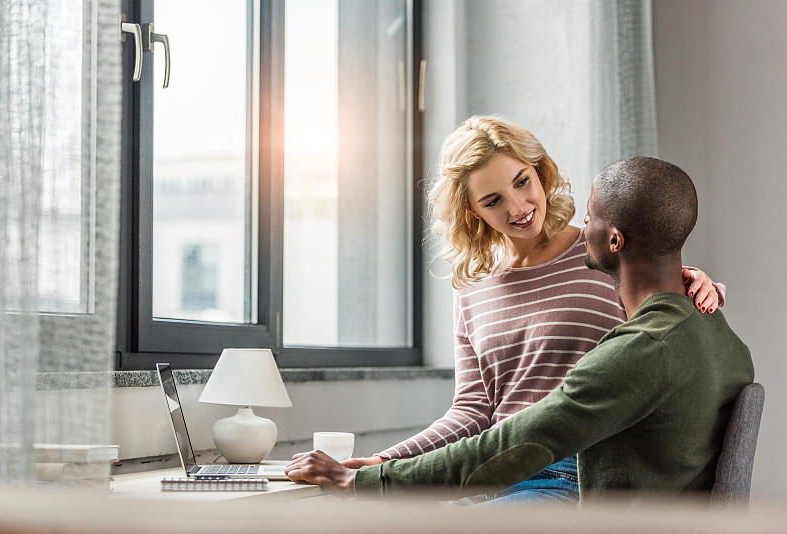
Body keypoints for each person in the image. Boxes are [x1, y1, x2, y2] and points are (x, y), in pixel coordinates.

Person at [285, 156, 754, 504]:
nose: (579, 223)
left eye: (589, 216)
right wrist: (386, 464)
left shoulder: (640, 347)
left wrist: (366, 482)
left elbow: (518, 441)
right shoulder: (722, 338)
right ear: (473, 212)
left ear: (613, 239)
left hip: (563, 480)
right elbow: (474, 410)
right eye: (492, 199)